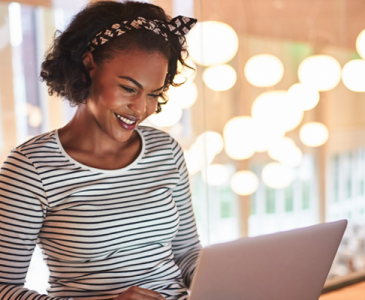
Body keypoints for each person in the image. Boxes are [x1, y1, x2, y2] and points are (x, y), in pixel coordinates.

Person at [0, 1, 201, 299]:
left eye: (154, 94)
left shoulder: (166, 150)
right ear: (89, 65)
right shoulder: (30, 168)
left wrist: (223, 281)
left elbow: (187, 253)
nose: (141, 109)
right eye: (129, 89)